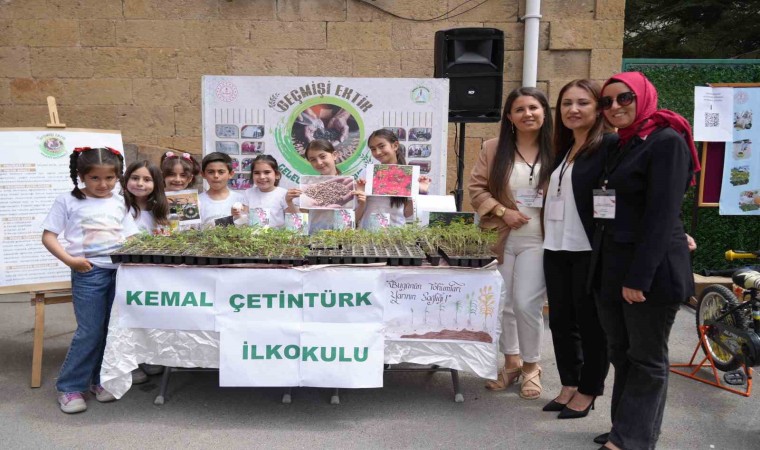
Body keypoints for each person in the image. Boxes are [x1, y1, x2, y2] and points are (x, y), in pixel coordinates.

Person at [593, 72, 697, 450]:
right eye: (606, 102)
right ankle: (625, 428)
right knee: (622, 354)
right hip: (613, 267)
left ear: (643, 97)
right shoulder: (620, 143)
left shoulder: (666, 141)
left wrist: (638, 278)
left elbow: (661, 217)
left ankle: (633, 439)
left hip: (648, 273)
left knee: (647, 359)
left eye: (624, 98)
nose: (615, 107)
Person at [468, 87, 554, 400]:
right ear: (509, 116)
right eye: (519, 109)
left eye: (533, 107)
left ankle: (532, 366)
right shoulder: (493, 148)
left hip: (540, 239)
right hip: (501, 236)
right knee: (503, 303)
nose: (527, 114)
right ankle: (512, 362)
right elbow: (476, 189)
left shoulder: (559, 149)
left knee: (526, 303)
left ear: (544, 112)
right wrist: (505, 211)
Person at [41, 147, 139, 414]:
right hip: (88, 271)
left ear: (117, 177)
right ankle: (70, 386)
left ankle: (100, 380)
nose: (103, 184)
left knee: (111, 328)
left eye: (109, 178)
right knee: (90, 331)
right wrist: (71, 261)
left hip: (120, 271)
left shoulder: (120, 201)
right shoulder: (68, 200)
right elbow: (49, 236)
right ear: (81, 176)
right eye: (95, 178)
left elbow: (131, 236)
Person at [542, 80, 615, 418]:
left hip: (588, 249)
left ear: (598, 108)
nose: (573, 109)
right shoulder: (564, 148)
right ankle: (569, 383)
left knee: (591, 324)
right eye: (566, 103)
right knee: (560, 321)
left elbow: (614, 199)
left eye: (582, 102)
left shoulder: (608, 146)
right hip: (556, 246)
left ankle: (589, 389)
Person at [285, 139, 366, 233]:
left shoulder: (352, 187)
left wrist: (362, 204)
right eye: (313, 160)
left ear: (334, 155)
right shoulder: (308, 187)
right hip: (314, 237)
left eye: (323, 156)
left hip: (341, 237)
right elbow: (301, 221)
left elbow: (354, 220)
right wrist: (289, 202)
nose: (319, 162)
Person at [357, 129, 431, 229]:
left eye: (381, 146)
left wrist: (421, 192)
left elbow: (406, 213)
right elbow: (357, 213)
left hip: (395, 233)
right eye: (373, 149)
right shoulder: (367, 173)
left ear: (395, 146)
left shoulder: (408, 175)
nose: (377, 152)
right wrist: (361, 198)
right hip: (368, 233)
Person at [240, 154, 289, 228]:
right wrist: (237, 214)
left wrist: (290, 201)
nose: (262, 177)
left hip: (277, 235)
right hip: (253, 234)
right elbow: (243, 219)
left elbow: (293, 221)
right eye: (257, 173)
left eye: (267, 172)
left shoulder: (284, 194)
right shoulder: (248, 193)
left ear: (277, 175)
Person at [198, 152, 245, 227]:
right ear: (203, 174)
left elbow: (245, 226)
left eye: (221, 172)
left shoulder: (241, 199)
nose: (216, 176)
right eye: (211, 172)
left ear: (231, 174)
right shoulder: (198, 202)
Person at [124, 160, 169, 235]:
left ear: (156, 183)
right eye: (135, 178)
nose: (140, 183)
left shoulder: (159, 209)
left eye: (147, 180)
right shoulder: (121, 207)